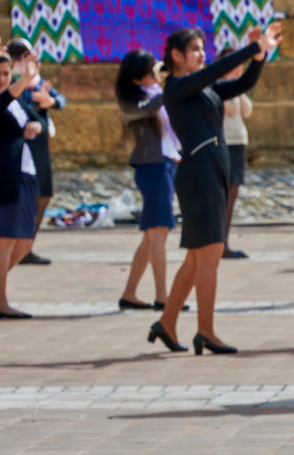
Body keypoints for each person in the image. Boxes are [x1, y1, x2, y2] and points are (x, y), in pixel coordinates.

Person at [147, 23, 279, 356]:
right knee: (209, 257)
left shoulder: (205, 89)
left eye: (202, 48)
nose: (202, 54)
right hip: (198, 174)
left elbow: (243, 82)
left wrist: (259, 57)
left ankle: (167, 322)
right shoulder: (178, 87)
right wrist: (251, 48)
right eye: (194, 49)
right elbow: (217, 71)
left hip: (213, 171)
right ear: (176, 56)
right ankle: (205, 331)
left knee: (196, 259)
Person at [116, 49, 179, 311]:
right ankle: (162, 296)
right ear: (135, 78)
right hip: (151, 166)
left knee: (151, 236)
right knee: (158, 232)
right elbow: (151, 108)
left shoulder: (154, 94)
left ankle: (130, 293)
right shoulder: (132, 101)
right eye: (149, 71)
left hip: (165, 163)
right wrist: (171, 83)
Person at [0, 39, 42, 319]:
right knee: (5, 241)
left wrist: (33, 127)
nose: (1, 79)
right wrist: (23, 81)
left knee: (22, 242)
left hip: (24, 172)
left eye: (6, 74)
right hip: (1, 176)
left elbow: (33, 120)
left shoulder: (14, 99)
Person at [6, 37, 63, 266]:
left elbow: (60, 99)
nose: (21, 60)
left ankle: (26, 246)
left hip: (39, 148)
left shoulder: (38, 82)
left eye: (25, 54)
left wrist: (51, 101)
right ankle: (16, 248)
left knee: (44, 195)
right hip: (19, 148)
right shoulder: (8, 81)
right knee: (24, 198)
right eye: (16, 55)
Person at [218, 47, 253, 260]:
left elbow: (247, 110)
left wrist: (239, 86)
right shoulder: (219, 87)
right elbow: (231, 108)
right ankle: (218, 243)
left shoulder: (236, 88)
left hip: (238, 143)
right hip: (225, 143)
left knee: (231, 197)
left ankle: (225, 242)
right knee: (222, 198)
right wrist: (234, 84)